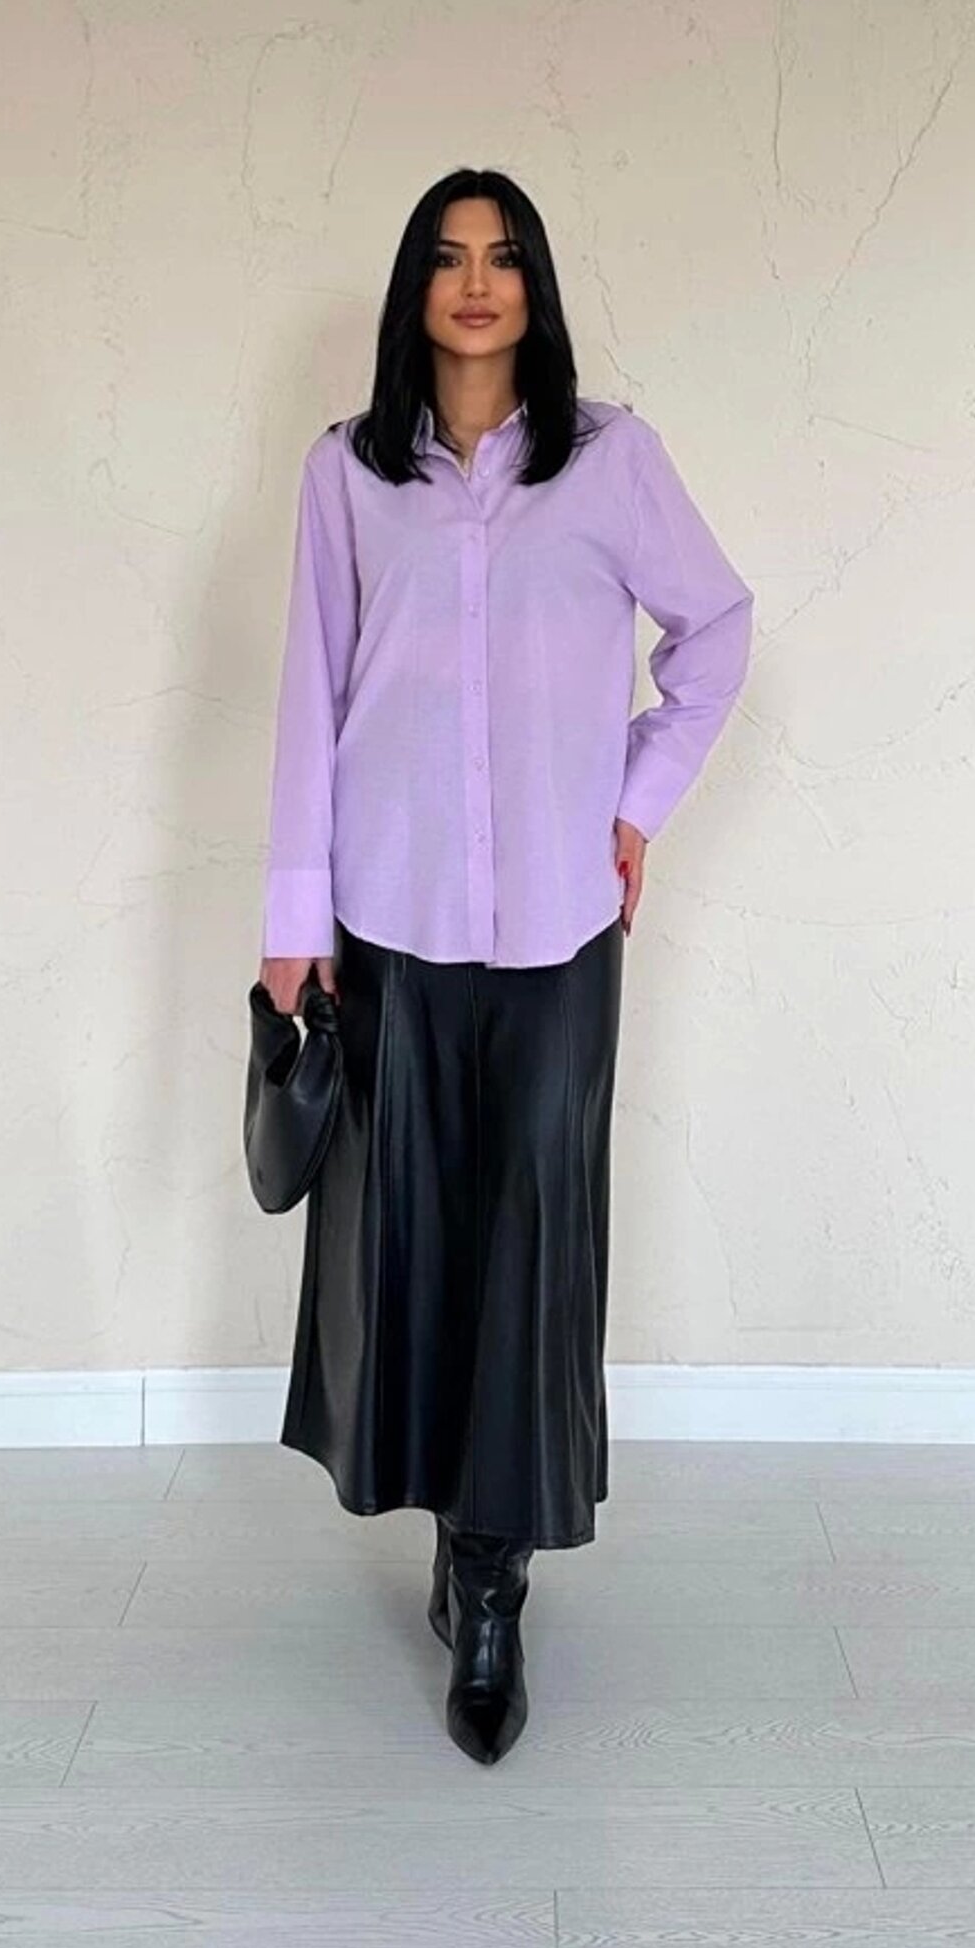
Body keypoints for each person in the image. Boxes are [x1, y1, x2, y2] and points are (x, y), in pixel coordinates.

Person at [257, 166, 755, 1765]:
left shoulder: (611, 462)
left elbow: (717, 631)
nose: (477, 284)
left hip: (555, 930)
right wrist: (293, 919)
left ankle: (493, 1585)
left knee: (531, 1244)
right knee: (413, 1243)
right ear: (416, 288)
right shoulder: (347, 476)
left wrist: (634, 804)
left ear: (535, 287)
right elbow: (311, 694)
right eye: (449, 258)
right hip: (390, 929)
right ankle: (451, 1537)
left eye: (505, 257)